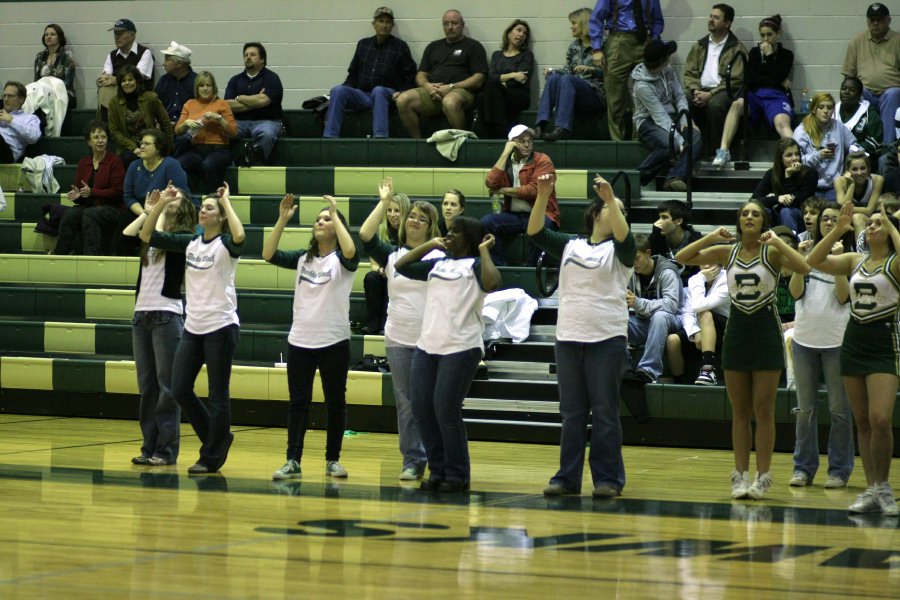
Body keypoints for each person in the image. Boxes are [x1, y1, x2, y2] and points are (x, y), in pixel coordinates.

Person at [676, 200, 811, 500]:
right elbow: (682, 256)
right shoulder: (728, 252)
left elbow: (804, 266)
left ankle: (763, 476)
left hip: (764, 332)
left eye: (756, 214)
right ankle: (740, 475)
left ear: (764, 221)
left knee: (763, 410)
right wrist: (711, 237)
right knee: (739, 411)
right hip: (737, 333)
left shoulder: (772, 252)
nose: (750, 217)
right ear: (738, 221)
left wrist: (777, 240)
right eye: (745, 214)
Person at [530, 173, 634, 497]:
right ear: (594, 214)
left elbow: (626, 239)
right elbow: (534, 231)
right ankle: (567, 478)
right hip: (569, 338)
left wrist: (611, 198)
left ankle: (608, 479)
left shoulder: (621, 250)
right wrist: (543, 194)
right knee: (572, 413)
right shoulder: (570, 245)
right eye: (607, 207)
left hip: (607, 340)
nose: (614, 211)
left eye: (619, 209)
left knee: (604, 413)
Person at [140, 182, 245, 475]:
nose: (203, 211)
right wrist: (159, 205)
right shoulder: (190, 242)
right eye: (202, 207)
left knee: (217, 394)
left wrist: (227, 202)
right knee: (181, 388)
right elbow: (147, 235)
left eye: (210, 208)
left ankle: (210, 456)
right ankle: (217, 438)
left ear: (220, 216)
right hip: (193, 327)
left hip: (221, 327)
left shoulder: (225, 245)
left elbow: (240, 236)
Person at [395, 216, 502, 493]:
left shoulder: (476, 265)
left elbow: (492, 283)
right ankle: (438, 470)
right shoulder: (437, 264)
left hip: (461, 347)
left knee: (445, 408)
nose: (449, 235)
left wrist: (483, 251)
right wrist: (430, 244)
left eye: (456, 232)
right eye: (448, 231)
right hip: (427, 345)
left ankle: (457, 474)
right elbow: (400, 266)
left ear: (471, 238)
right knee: (421, 407)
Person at [806, 201, 899, 515]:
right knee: (863, 421)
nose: (872, 226)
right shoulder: (854, 260)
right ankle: (872, 487)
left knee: (881, 419)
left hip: (884, 344)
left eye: (879, 223)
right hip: (854, 341)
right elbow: (811, 261)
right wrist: (836, 230)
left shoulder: (895, 263)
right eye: (870, 223)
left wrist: (890, 220)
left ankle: (884, 487)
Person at [266, 195, 359, 482]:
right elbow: (268, 254)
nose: (320, 222)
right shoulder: (302, 259)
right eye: (318, 219)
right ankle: (292, 460)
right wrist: (282, 220)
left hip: (334, 341)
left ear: (338, 226)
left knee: (335, 402)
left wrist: (336, 212)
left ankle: (333, 460)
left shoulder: (342, 260)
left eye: (327, 219)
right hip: (300, 341)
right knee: (298, 402)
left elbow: (352, 250)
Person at [360, 178, 443, 480]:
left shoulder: (438, 257)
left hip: (431, 341)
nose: (414, 222)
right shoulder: (392, 254)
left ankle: (439, 459)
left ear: (431, 227)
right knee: (406, 404)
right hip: (397, 338)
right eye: (412, 216)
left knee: (432, 402)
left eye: (422, 219)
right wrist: (384, 203)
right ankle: (412, 460)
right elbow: (366, 234)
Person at [124, 186, 198, 467]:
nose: (170, 195)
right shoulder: (151, 229)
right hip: (141, 316)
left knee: (167, 387)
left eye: (176, 195)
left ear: (185, 206)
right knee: (147, 387)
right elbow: (129, 235)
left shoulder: (184, 237)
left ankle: (166, 452)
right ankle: (149, 447)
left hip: (167, 315)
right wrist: (147, 211)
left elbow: (150, 235)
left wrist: (157, 209)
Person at [788, 203, 854, 489]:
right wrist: (800, 263)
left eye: (833, 219)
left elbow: (843, 298)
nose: (828, 222)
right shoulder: (807, 254)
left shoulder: (850, 258)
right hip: (803, 341)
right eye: (825, 218)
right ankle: (803, 468)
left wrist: (838, 261)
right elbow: (795, 292)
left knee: (839, 411)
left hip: (837, 343)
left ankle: (839, 470)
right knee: (805, 410)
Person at [712, 14, 794, 169]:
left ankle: (798, 155)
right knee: (737, 104)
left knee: (782, 122)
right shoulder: (755, 53)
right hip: (755, 95)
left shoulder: (786, 55)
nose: (765, 39)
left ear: (778, 34)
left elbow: (780, 74)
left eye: (769, 34)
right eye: (762, 35)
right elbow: (751, 79)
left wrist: (769, 57)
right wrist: (777, 79)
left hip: (776, 96)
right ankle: (723, 150)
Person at [324, 7, 416, 139]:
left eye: (388, 22)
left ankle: (380, 138)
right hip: (362, 94)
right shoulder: (363, 44)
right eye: (381, 21)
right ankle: (330, 137)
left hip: (387, 95)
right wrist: (346, 87)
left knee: (378, 90)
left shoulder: (400, 47)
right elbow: (353, 74)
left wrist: (402, 92)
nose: (384, 25)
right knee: (338, 90)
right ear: (374, 24)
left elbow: (411, 75)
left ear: (392, 26)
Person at [395, 10, 488, 139]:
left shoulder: (474, 46)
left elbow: (479, 78)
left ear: (462, 24)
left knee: (449, 102)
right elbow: (420, 74)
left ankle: (463, 142)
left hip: (461, 90)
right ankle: (418, 142)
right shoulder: (433, 46)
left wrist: (451, 87)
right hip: (432, 91)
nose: (450, 27)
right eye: (446, 24)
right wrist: (428, 86)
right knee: (403, 100)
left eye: (454, 23)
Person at [482, 124, 558, 265]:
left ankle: (531, 270)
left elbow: (534, 190)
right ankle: (500, 267)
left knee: (542, 226)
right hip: (514, 215)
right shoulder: (507, 163)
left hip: (542, 214)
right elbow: (491, 183)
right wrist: (505, 154)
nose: (527, 145)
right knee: (487, 222)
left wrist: (503, 190)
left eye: (530, 141)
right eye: (522, 141)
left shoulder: (542, 160)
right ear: (512, 143)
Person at [631, 39, 701, 192]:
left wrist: (685, 119)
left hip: (673, 117)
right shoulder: (642, 85)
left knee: (695, 136)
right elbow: (659, 116)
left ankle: (674, 177)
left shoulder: (667, 69)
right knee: (672, 145)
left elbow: (679, 95)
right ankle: (637, 177)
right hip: (648, 122)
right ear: (662, 61)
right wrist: (679, 140)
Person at [589, 0, 664, 141]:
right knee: (615, 97)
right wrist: (597, 48)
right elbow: (596, 18)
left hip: (643, 41)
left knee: (644, 96)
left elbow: (658, 20)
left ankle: (639, 141)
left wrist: (653, 39)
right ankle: (617, 144)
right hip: (618, 41)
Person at [682, 4, 748, 159]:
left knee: (715, 105)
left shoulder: (737, 48)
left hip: (723, 91)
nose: (711, 20)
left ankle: (716, 151)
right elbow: (689, 72)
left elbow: (736, 79)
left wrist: (710, 94)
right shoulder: (699, 46)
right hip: (700, 89)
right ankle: (687, 150)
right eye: (711, 16)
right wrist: (695, 90)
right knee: (684, 100)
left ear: (727, 23)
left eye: (716, 17)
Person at [54, 120, 126, 255]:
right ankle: (60, 254)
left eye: (103, 137)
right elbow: (81, 191)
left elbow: (118, 192)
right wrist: (78, 196)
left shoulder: (115, 161)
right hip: (90, 206)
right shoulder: (84, 162)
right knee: (69, 213)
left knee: (89, 213)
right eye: (96, 137)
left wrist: (92, 192)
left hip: (114, 208)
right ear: (89, 142)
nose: (100, 141)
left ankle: (91, 256)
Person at [534, 8, 606, 142]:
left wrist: (591, 69)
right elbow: (567, 70)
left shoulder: (603, 44)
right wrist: (552, 71)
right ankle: (540, 126)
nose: (571, 27)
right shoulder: (574, 47)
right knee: (555, 77)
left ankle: (562, 129)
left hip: (596, 95)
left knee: (567, 79)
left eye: (574, 23)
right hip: (574, 93)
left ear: (584, 23)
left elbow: (614, 74)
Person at [624, 233, 683, 384]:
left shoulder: (667, 271)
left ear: (648, 253)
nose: (633, 263)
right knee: (614, 321)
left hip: (673, 323)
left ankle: (648, 370)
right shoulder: (630, 272)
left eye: (636, 258)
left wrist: (638, 303)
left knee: (660, 316)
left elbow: (671, 305)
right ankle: (626, 367)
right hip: (645, 324)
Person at [842, 3, 900, 145]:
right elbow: (848, 76)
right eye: (872, 20)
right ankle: (859, 147)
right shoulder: (857, 40)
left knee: (891, 94)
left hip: (891, 93)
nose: (875, 23)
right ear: (867, 21)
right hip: (866, 91)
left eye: (879, 20)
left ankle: (887, 148)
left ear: (888, 20)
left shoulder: (898, 40)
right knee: (857, 93)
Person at [175, 71, 237, 194]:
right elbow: (178, 131)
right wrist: (186, 123)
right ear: (196, 88)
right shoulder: (190, 104)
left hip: (219, 150)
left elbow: (233, 132)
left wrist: (219, 119)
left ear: (213, 87)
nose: (205, 89)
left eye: (208, 85)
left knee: (208, 165)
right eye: (201, 85)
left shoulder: (221, 104)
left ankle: (213, 200)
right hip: (197, 149)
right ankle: (183, 199)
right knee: (178, 164)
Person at [670, 262, 730, 385]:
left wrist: (700, 278)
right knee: (672, 341)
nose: (707, 266)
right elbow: (687, 312)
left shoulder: (728, 278)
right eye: (704, 262)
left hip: (726, 328)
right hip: (702, 327)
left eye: (711, 262)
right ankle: (679, 384)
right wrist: (695, 332)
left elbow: (699, 305)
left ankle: (708, 369)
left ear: (720, 264)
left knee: (705, 313)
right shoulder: (697, 279)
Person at [225, 42, 284, 163]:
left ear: (262, 59)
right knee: (220, 130)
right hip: (239, 122)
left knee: (267, 133)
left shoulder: (272, 78)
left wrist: (239, 97)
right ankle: (226, 163)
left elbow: (264, 100)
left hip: (266, 121)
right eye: (246, 55)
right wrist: (256, 101)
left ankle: (253, 162)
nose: (248, 57)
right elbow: (228, 105)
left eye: (252, 54)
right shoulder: (235, 80)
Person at [793, 92, 859, 200]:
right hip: (810, 185)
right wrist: (818, 156)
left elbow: (854, 146)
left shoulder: (838, 126)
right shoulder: (802, 131)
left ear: (833, 110)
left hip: (834, 185)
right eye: (821, 107)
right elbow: (796, 162)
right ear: (814, 109)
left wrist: (849, 168)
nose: (825, 111)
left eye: (829, 108)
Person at [477, 19, 535, 138]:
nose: (521, 35)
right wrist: (513, 75)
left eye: (524, 33)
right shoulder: (496, 55)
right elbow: (490, 77)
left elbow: (522, 79)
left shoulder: (526, 55)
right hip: (498, 94)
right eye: (518, 30)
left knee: (489, 91)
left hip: (518, 95)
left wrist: (500, 81)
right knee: (486, 92)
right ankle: (500, 129)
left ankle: (488, 131)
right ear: (508, 33)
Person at [362, 188, 409, 334]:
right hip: (383, 275)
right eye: (389, 210)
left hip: (402, 276)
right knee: (371, 278)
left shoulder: (410, 233)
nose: (392, 215)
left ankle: (385, 325)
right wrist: (380, 270)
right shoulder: (381, 231)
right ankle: (372, 324)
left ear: (405, 212)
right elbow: (374, 264)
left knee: (392, 280)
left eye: (397, 211)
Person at [108, 65, 174, 168]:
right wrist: (134, 148)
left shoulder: (151, 98)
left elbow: (165, 123)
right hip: (127, 147)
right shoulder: (114, 103)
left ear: (137, 81)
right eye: (123, 81)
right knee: (129, 159)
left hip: (151, 144)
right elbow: (114, 131)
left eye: (130, 79)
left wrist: (168, 147)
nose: (127, 83)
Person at [751, 138, 819, 232]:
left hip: (801, 215)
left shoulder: (810, 173)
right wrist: (777, 199)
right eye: (789, 155)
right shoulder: (772, 174)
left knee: (786, 211)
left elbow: (799, 201)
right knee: (764, 211)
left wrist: (788, 176)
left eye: (797, 154)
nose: (794, 158)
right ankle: (761, 243)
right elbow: (755, 199)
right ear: (780, 158)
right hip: (779, 214)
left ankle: (790, 243)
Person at [124, 128, 189, 219]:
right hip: (140, 212)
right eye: (141, 143)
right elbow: (128, 197)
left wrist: (153, 215)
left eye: (147, 144)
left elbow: (180, 196)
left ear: (159, 148)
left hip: (167, 213)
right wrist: (144, 214)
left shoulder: (171, 165)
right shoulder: (134, 166)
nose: (142, 146)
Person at [96, 19, 154, 119]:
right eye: (115, 34)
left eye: (121, 33)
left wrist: (116, 79)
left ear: (132, 35)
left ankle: (107, 123)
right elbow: (106, 77)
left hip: (138, 95)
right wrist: (102, 80)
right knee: (104, 87)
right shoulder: (112, 55)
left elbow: (137, 76)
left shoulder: (144, 52)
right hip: (118, 94)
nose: (117, 37)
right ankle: (106, 125)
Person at [155, 41, 196, 157]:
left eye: (167, 59)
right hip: (163, 127)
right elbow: (155, 104)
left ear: (178, 63)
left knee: (183, 140)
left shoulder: (197, 82)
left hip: (186, 128)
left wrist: (179, 124)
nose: (164, 63)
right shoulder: (163, 81)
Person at [648, 199, 702, 284]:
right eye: (659, 217)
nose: (658, 222)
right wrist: (655, 235)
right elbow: (652, 267)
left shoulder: (695, 241)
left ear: (679, 221)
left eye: (664, 217)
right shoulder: (658, 239)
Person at [835, 151, 885, 235]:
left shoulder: (877, 180)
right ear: (847, 170)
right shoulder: (839, 181)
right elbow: (841, 208)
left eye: (863, 168)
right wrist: (851, 185)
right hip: (846, 219)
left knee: (857, 217)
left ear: (868, 168)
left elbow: (870, 210)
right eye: (854, 169)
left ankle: (862, 248)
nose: (859, 173)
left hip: (870, 220)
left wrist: (847, 209)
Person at [837, 76, 884, 162]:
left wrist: (850, 150)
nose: (846, 92)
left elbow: (875, 143)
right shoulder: (832, 111)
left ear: (859, 94)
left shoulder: (870, 114)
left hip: (861, 159)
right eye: (844, 89)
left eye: (852, 90)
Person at [34, 24, 77, 109]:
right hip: (43, 94)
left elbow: (68, 82)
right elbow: (36, 80)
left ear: (59, 37)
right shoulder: (40, 57)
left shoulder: (67, 56)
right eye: (46, 35)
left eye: (53, 34)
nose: (49, 37)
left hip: (63, 94)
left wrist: (49, 90)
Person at [0, 81, 41, 163]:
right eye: (4, 96)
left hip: (7, 154)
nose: (6, 99)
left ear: (21, 99)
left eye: (10, 96)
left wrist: (11, 120)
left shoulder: (31, 118)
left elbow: (34, 137)